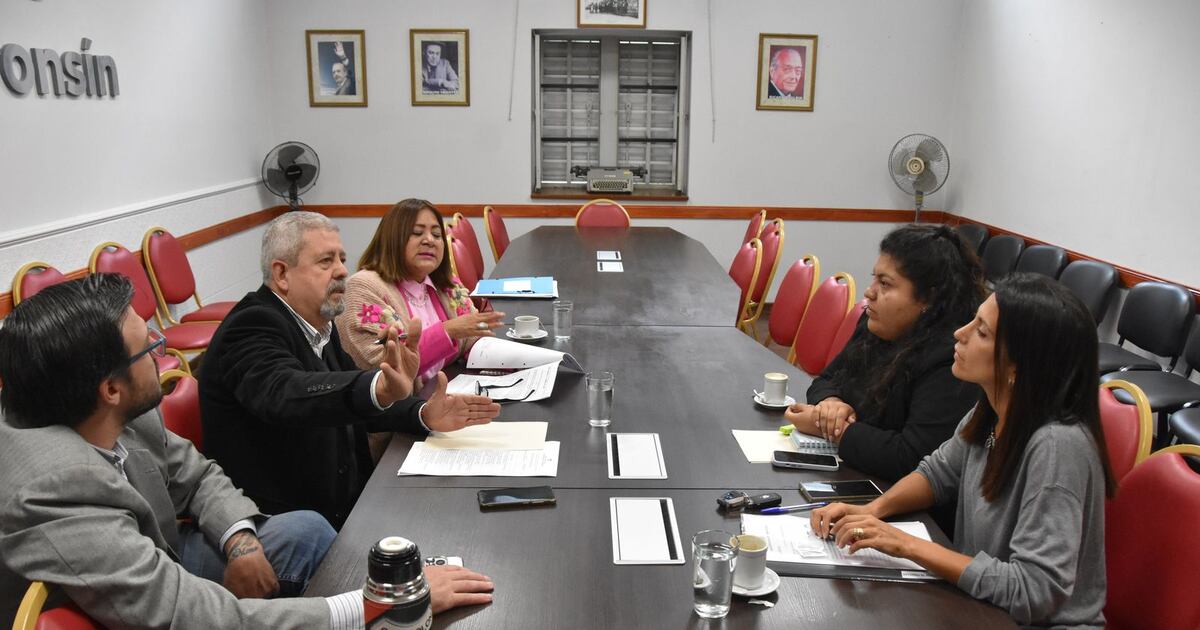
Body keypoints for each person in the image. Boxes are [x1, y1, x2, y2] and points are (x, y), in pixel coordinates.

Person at [0, 274, 495, 627]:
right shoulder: (53, 487)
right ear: (109, 388)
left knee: (302, 530)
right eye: (148, 347)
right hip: (140, 602)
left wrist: (240, 539)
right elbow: (186, 612)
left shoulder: (113, 408)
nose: (162, 349)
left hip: (158, 555)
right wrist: (371, 607)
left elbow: (195, 474)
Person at [810, 274, 1116, 629]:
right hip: (983, 607)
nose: (960, 333)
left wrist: (905, 544)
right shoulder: (992, 409)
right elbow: (937, 473)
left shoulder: (1057, 446)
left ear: (1018, 365)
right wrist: (872, 511)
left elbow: (1036, 590)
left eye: (981, 332)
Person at [199, 211, 501, 529]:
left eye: (342, 259)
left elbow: (360, 404)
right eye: (326, 261)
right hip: (285, 527)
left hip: (345, 507)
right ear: (282, 274)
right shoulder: (252, 325)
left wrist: (424, 414)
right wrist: (379, 388)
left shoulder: (317, 324)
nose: (343, 270)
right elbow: (286, 392)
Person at [785, 224, 986, 482]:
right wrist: (831, 404)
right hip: (855, 472)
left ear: (929, 298)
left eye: (885, 284)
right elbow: (826, 380)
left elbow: (910, 457)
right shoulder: (875, 324)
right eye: (874, 278)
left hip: (904, 504)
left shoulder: (951, 357)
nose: (870, 292)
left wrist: (834, 431)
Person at [335, 199, 504, 461]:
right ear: (392, 238)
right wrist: (448, 330)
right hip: (396, 430)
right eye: (417, 233)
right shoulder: (365, 288)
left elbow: (473, 336)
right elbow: (383, 370)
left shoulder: (443, 283)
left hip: (445, 405)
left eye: (436, 234)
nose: (430, 240)